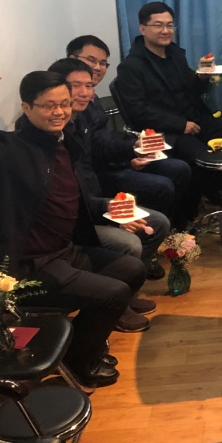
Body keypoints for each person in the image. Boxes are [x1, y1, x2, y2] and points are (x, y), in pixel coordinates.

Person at [0, 58, 148, 387]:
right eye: (49, 105)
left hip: (65, 250)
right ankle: (80, 360)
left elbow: (69, 198)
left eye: (64, 104)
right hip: (30, 264)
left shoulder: (65, 142)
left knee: (133, 269)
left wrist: (112, 208)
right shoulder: (7, 149)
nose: (59, 112)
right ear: (27, 107)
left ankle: (80, 345)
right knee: (114, 294)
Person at [49, 57, 173, 286]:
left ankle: (128, 287)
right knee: (130, 242)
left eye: (89, 86)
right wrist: (108, 210)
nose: (85, 92)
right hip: (78, 220)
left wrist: (134, 148)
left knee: (159, 222)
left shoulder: (79, 120)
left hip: (95, 203)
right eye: (76, 86)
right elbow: (69, 194)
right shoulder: (52, 134)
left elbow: (101, 147)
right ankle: (118, 290)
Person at [65, 35, 195, 236]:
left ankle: (174, 225)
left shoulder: (91, 96)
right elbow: (94, 151)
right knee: (162, 186)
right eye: (91, 60)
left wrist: (133, 151)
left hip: (111, 160)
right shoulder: (70, 105)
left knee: (179, 168)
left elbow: (103, 139)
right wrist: (129, 156)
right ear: (72, 59)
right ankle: (150, 232)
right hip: (99, 174)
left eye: (103, 63)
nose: (98, 68)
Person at [115, 1, 222, 167]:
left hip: (195, 120)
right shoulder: (131, 67)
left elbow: (192, 90)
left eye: (170, 25)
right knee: (199, 155)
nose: (165, 31)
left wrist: (202, 78)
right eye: (158, 25)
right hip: (165, 132)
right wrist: (181, 125)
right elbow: (138, 112)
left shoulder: (175, 54)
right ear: (143, 29)